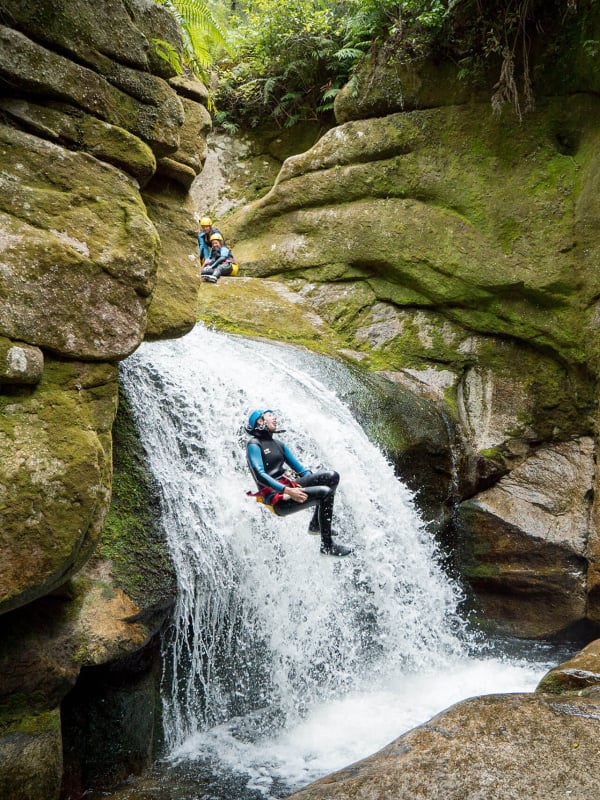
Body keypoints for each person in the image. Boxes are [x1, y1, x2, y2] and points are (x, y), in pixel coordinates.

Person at [245, 409, 352, 557]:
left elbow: (302, 471)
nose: (275, 418)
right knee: (325, 493)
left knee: (331, 476)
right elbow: (260, 476)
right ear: (260, 421)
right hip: (277, 499)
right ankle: (327, 546)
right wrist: (287, 491)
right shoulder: (254, 445)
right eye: (270, 415)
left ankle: (316, 525)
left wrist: (312, 482)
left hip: (289, 488)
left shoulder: (279, 444)